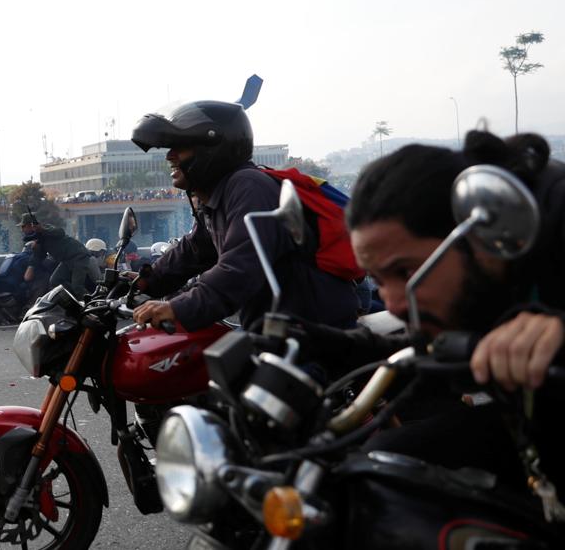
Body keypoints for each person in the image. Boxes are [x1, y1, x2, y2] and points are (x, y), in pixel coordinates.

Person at [339, 132, 565, 491]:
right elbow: (431, 352)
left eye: (407, 272)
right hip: (529, 416)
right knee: (385, 464)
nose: (395, 304)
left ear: (480, 236)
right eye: (380, 280)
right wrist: (329, 343)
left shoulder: (555, 217)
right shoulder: (473, 284)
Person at [127, 99, 359, 332]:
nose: (169, 156)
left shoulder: (248, 186)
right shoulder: (219, 197)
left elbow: (240, 268)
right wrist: (146, 281)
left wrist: (177, 308)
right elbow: (194, 250)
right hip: (272, 326)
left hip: (312, 331)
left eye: (180, 146)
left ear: (211, 149)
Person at [19, 214, 100, 298]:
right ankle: (75, 299)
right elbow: (40, 256)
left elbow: (60, 232)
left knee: (77, 287)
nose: (22, 229)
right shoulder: (38, 239)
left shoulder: (46, 228)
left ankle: (92, 304)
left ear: (30, 225)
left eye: (23, 226)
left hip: (78, 256)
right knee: (55, 281)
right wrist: (36, 249)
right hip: (66, 260)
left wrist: (42, 230)